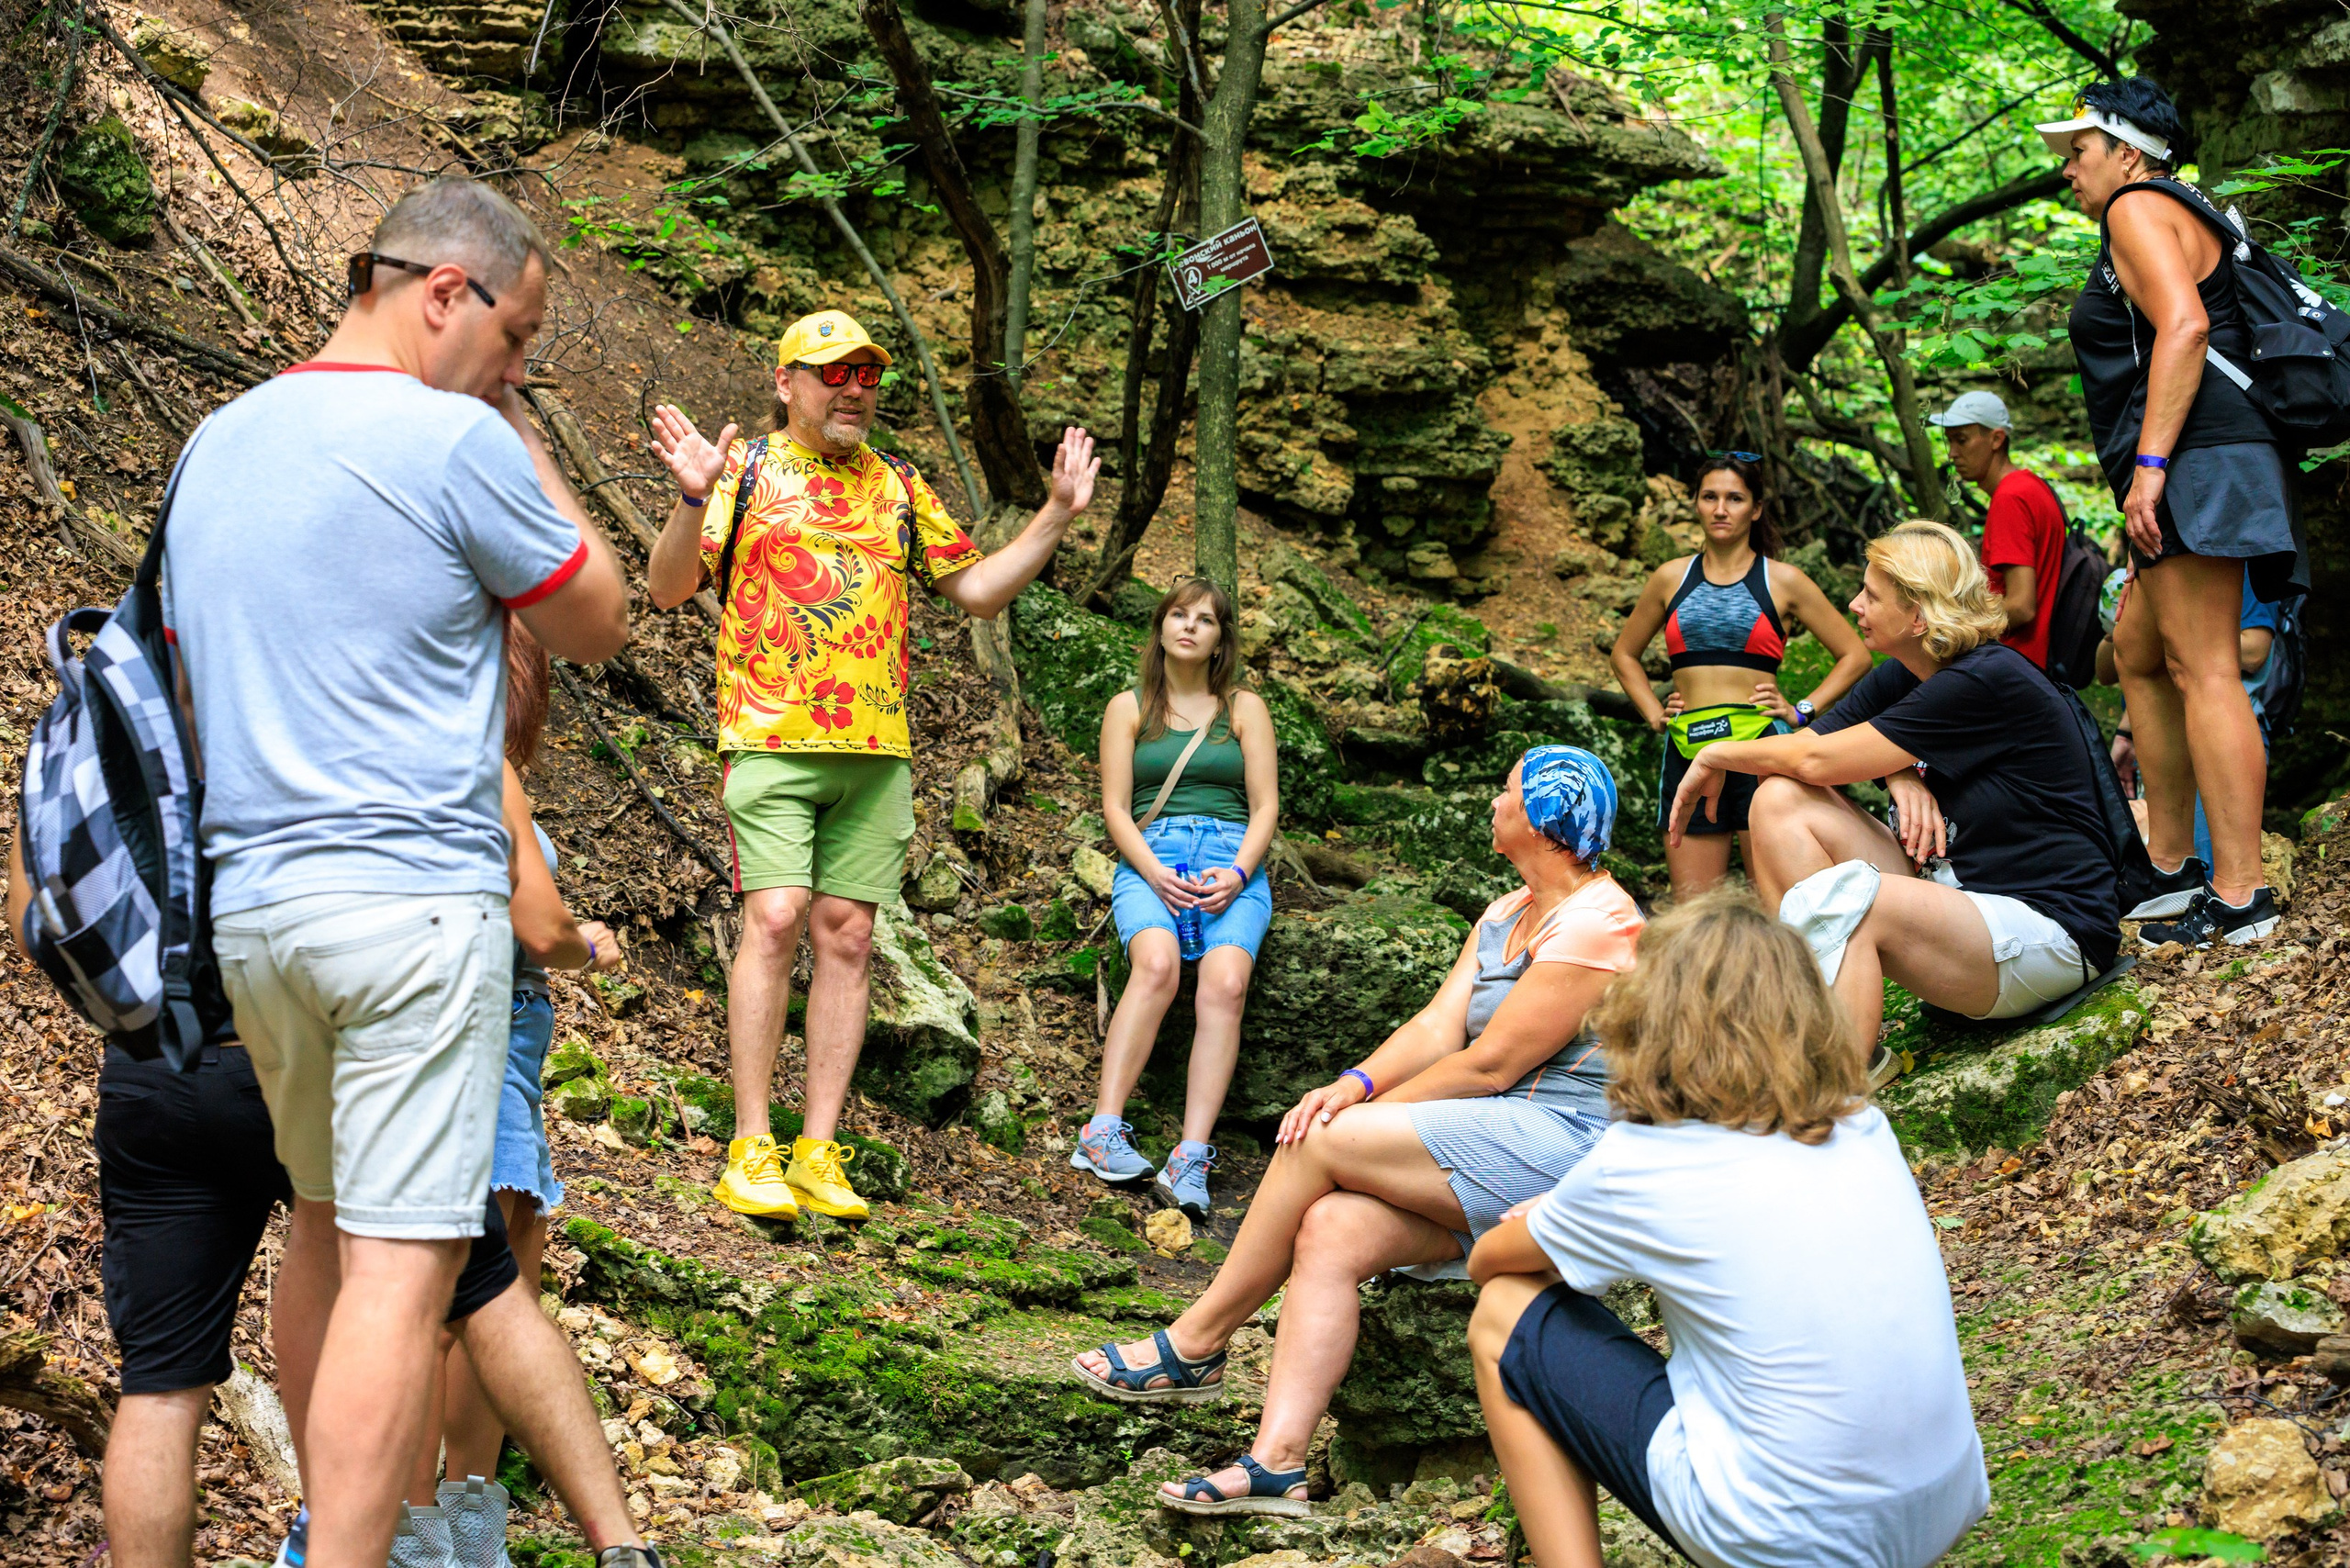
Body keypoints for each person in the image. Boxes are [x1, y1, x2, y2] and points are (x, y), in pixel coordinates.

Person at [157, 176, 634, 1568]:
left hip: (255, 910)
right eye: (517, 337)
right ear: (442, 291)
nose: (516, 368)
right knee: (402, 1267)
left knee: (322, 1223)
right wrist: (517, 436)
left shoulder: (216, 441)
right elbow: (598, 618)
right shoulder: (452, 438)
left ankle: (325, 1530)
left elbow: (188, 678)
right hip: (411, 910)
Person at [6, 824, 647, 1568]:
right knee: (484, 1293)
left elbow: (31, 917)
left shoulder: (78, 750)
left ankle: (364, 1534)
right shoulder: (310, 741)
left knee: (160, 1390)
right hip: (318, 1050)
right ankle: (612, 1548)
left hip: (154, 1067)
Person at [1070, 748, 1642, 1518]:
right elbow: (1438, 1027)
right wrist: (1354, 1085)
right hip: (1487, 1142)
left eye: (1507, 791)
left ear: (1543, 820)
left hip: (1567, 1145)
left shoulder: (1599, 922)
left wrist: (1360, 1120)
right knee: (1333, 1229)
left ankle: (1197, 1341)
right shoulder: (1509, 910)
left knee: (1322, 1140)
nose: (1493, 802)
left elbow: (1491, 1065)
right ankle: (1277, 1463)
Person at [645, 312, 1100, 1223]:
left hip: (876, 750)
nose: (853, 388)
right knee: (776, 917)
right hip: (769, 736)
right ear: (786, 383)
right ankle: (750, 1145)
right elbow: (666, 589)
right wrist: (692, 498)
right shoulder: (743, 471)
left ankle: (817, 1150)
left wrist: (1054, 513)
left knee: (849, 936)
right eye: (832, 373)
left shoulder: (898, 483)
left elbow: (977, 591)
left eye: (866, 374)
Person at [1466, 890, 1987, 1568]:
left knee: (1503, 1312)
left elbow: (1488, 1261)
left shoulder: (1647, 1160)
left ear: (1651, 1017)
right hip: (1943, 1503)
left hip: (1791, 1537)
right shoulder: (1858, 1122)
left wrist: (1550, 1214)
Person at [1668, 521, 2122, 1082]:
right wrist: (1898, 770)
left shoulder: (1986, 677)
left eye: (1872, 596)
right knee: (1777, 800)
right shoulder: (1907, 674)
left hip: (2049, 930)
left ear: (1919, 617)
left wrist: (1714, 754)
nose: (1855, 605)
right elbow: (1804, 752)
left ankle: (1833, 1080)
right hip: (1958, 902)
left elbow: (1816, 760)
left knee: (1851, 897)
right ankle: (1818, 1019)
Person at [2040, 75, 2294, 946]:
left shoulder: (2137, 207)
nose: (2068, 168)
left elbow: (2184, 327)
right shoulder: (2173, 207)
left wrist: (2149, 470)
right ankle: (2172, 863)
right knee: (2139, 651)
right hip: (2203, 456)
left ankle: (2241, 894)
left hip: (2197, 458)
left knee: (2205, 667)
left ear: (2127, 153)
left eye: (2079, 150)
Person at [405, 620, 627, 1563]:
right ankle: (421, 1529)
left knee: (495, 1297)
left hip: (491, 1062)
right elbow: (534, 930)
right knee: (459, 1308)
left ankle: (464, 1520)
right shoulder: (468, 773)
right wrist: (586, 945)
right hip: (477, 1053)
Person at [1075, 577, 1279, 1218]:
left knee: (1226, 982)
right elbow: (1115, 808)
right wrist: (1153, 871)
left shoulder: (1244, 708)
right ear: (1161, 626)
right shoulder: (1128, 707)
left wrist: (1239, 874)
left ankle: (1191, 1156)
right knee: (1157, 965)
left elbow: (1266, 806)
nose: (1190, 626)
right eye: (1180, 615)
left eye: (1206, 619)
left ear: (1221, 640)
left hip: (1231, 859)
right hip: (1151, 855)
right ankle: (1102, 1132)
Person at [1609, 453, 1872, 898]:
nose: (1720, 509)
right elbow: (1624, 655)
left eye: (1734, 498)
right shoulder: (1670, 578)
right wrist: (1654, 713)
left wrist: (1801, 710)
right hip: (1687, 744)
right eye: (1709, 497)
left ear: (1756, 508)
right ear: (1696, 503)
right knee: (1693, 907)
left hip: (1761, 747)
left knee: (1779, 903)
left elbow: (1855, 655)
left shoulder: (1783, 580)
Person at [2101, 567, 2278, 870]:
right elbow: (2124, 666)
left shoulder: (2239, 561)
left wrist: (2175, 638)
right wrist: (2127, 732)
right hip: (2164, 731)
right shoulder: (2155, 560)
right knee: (2166, 854)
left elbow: (2255, 650)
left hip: (2215, 731)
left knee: (2208, 860)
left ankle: (2230, 887)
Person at [1929, 390, 2068, 669]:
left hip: (2018, 661)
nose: (1952, 453)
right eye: (1949, 441)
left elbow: (2021, 606)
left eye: (1962, 440)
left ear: (1996, 439)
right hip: (2034, 662)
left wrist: (1957, 630)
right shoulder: (2031, 486)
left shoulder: (2010, 498)